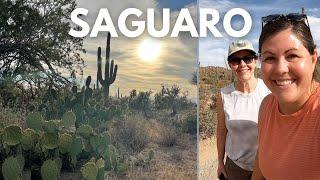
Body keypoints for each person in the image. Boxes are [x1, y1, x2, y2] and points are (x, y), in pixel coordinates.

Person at [252, 12, 319, 180]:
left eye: (292, 56)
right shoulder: (266, 106)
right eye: (270, 58)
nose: (281, 69)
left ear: (313, 59)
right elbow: (261, 160)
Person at [216, 40, 270, 180]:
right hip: (236, 167)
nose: (242, 65)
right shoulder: (224, 95)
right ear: (230, 65)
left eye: (247, 58)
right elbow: (221, 131)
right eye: (236, 60)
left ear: (256, 61)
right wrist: (220, 162)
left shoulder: (269, 90)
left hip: (266, 166)